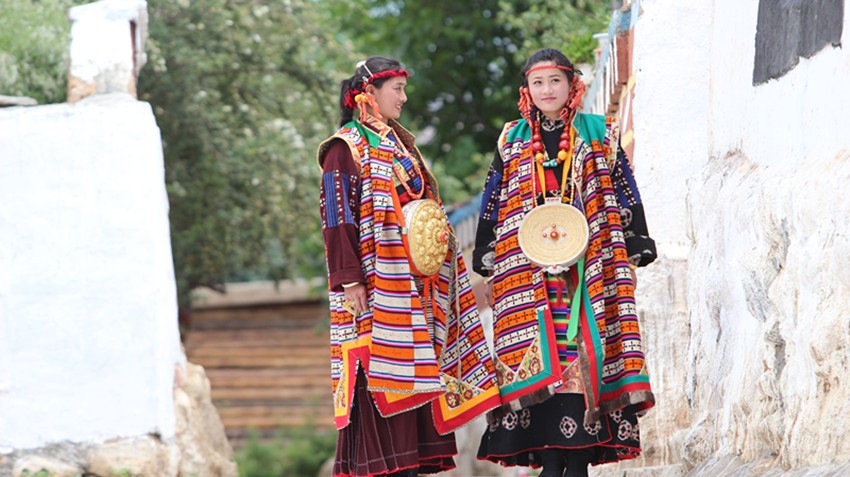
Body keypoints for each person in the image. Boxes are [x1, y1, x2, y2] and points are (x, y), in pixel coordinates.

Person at [473, 48, 658, 477]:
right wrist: (487, 249)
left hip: (589, 267)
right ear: (526, 91)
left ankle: (577, 458)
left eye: (554, 81)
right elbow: (494, 198)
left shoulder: (598, 132)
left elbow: (623, 188)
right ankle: (549, 457)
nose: (547, 90)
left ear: (572, 84)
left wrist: (635, 239)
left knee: (582, 349)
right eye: (537, 83)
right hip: (527, 272)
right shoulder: (511, 139)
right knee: (543, 352)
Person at [317, 56, 501, 477]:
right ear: (369, 93)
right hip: (372, 290)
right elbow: (337, 219)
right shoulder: (344, 148)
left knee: (415, 383)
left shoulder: (399, 145)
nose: (403, 97)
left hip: (415, 291)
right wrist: (349, 280)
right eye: (396, 89)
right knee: (380, 380)